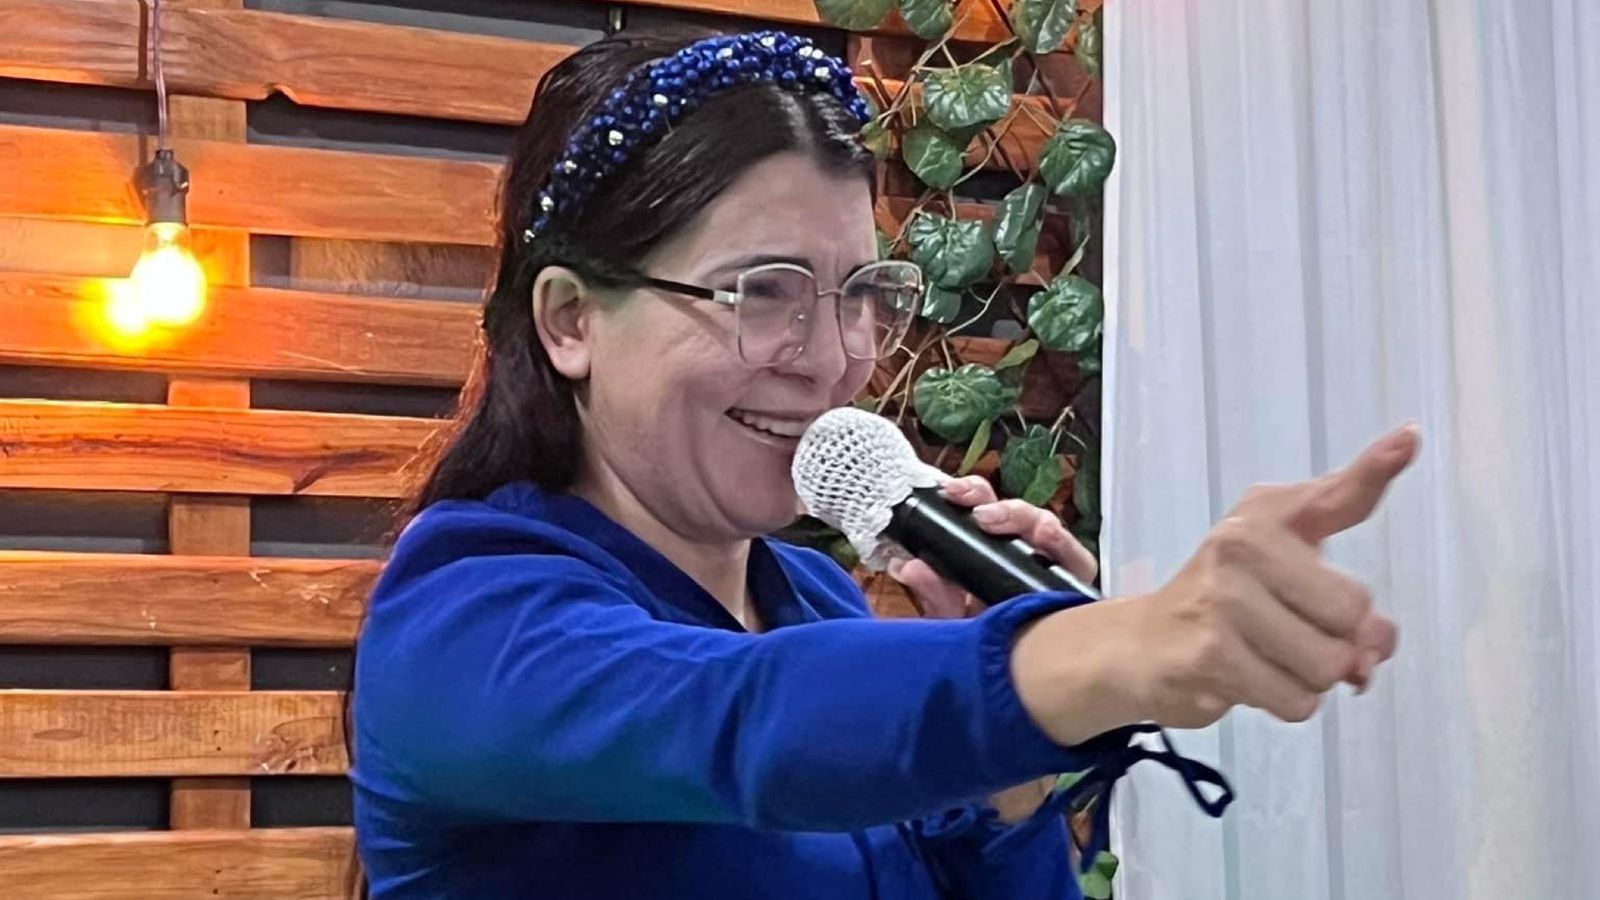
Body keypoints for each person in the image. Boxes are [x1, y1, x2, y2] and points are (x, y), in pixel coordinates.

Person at [351, 30, 1412, 900]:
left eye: (859, 293)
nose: (832, 358)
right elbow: (740, 723)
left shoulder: (815, 599)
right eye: (762, 291)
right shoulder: (462, 615)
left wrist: (1004, 778)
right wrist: (1106, 646)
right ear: (572, 321)